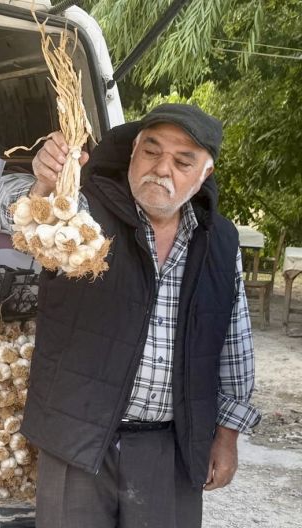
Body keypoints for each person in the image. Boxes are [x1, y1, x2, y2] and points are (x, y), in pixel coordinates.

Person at [19, 104, 260, 528]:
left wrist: (227, 434)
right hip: (78, 439)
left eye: (183, 161)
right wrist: (43, 186)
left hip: (172, 444)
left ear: (204, 174)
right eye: (152, 152)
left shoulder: (220, 241)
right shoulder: (84, 211)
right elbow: (29, 230)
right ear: (133, 152)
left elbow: (233, 340)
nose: (162, 169)